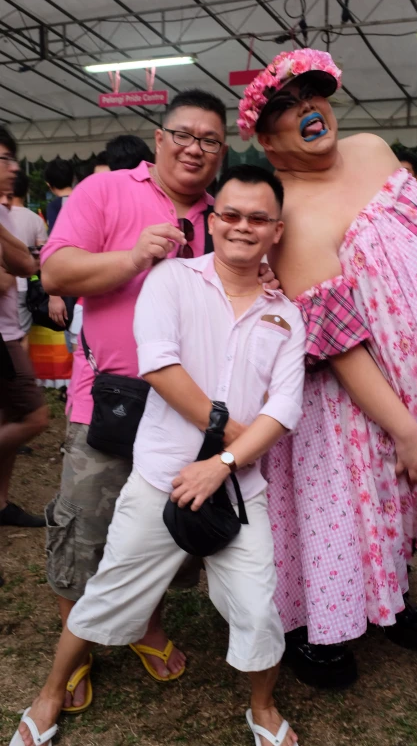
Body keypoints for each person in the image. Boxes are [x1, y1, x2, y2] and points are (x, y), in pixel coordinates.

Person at [238, 48, 417, 686]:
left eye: (315, 92)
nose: (309, 108)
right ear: (264, 136)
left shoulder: (371, 149)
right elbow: (339, 345)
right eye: (286, 106)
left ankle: (391, 599)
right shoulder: (295, 216)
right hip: (352, 402)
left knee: (402, 500)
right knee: (349, 500)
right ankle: (318, 630)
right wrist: (405, 427)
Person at [10, 164, 303, 746]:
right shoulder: (172, 280)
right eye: (231, 215)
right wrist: (224, 441)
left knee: (260, 604)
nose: (243, 227)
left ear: (276, 230)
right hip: (158, 476)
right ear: (213, 222)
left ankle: (263, 708)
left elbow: (284, 409)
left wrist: (220, 463)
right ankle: (48, 695)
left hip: (238, 488)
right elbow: (159, 364)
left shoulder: (286, 313)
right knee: (111, 586)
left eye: (258, 219)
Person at [39, 89, 277, 713]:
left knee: (167, 527)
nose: (195, 148)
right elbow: (56, 274)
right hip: (110, 399)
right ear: (159, 138)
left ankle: (145, 625)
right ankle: (79, 649)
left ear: (221, 150)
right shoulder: (107, 191)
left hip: (189, 409)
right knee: (86, 528)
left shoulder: (222, 214)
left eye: (210, 140)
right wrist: (133, 258)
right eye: (184, 134)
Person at [0, 127, 48, 529]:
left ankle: (0, 505)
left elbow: (25, 267)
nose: (13, 168)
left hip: (9, 330)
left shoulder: (3, 213)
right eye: (4, 160)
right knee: (35, 418)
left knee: (9, 420)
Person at [10, 169, 48, 350]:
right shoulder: (36, 220)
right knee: (21, 334)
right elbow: (42, 256)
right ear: (26, 191)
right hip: (22, 285)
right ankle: (20, 375)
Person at [44, 159, 74, 234]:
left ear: (49, 184)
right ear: (73, 179)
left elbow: (54, 235)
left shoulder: (53, 206)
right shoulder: (86, 200)